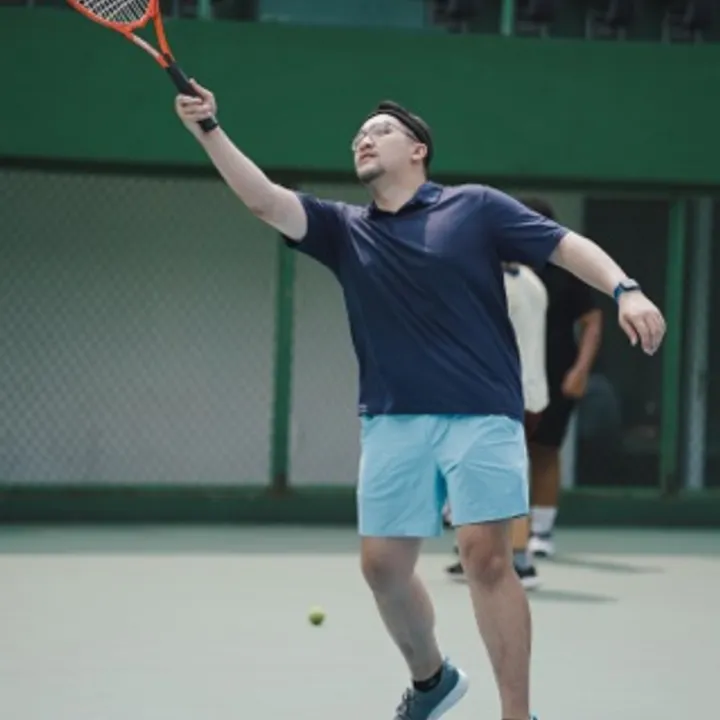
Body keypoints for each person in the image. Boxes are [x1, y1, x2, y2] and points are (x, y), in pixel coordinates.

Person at [174, 86, 666, 720]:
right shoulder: (343, 229)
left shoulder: (475, 207)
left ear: (418, 149)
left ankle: (518, 714)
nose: (363, 138)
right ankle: (432, 680)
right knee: (382, 569)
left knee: (486, 558)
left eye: (379, 130)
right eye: (358, 134)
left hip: (482, 413)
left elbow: (564, 244)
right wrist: (209, 128)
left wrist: (626, 289)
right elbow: (263, 200)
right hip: (391, 421)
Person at [445, 262, 549, 590]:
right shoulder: (532, 281)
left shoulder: (498, 285)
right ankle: (478, 554)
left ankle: (519, 561)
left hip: (501, 391)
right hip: (525, 390)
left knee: (506, 477)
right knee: (489, 475)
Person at [519, 198, 604, 559]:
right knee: (503, 454)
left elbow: (592, 321)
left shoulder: (567, 271)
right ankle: (503, 534)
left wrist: (580, 370)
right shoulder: (505, 269)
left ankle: (541, 531)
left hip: (556, 373)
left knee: (545, 449)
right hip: (509, 374)